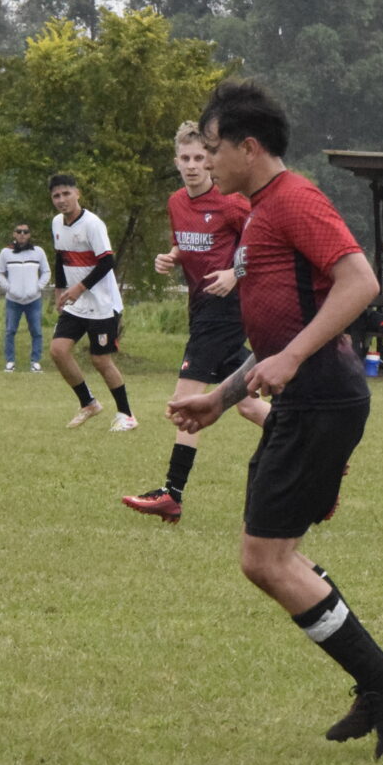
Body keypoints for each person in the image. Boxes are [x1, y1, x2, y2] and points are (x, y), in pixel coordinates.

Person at [168, 80, 383, 761]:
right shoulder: (260, 210)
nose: (207, 160)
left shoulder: (295, 200)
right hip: (303, 400)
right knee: (274, 558)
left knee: (266, 560)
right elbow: (279, 332)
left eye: (214, 148)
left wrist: (292, 357)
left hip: (324, 399)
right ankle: (379, 680)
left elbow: (360, 282)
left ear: (250, 147)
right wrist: (220, 400)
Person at [122, 120, 270, 523]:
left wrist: (235, 273)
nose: (191, 165)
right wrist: (170, 257)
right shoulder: (176, 203)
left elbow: (262, 243)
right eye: (185, 158)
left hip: (226, 310)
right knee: (246, 403)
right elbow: (184, 244)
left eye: (199, 158)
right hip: (200, 310)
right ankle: (312, 444)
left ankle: (172, 493)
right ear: (176, 161)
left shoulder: (231, 203)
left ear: (210, 161)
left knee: (184, 402)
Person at [48, 173, 136, 431]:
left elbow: (107, 262)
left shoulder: (93, 224)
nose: (62, 199)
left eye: (66, 193)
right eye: (56, 196)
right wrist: (59, 290)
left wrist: (79, 288)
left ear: (78, 194)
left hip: (102, 305)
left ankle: (126, 415)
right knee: (58, 351)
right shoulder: (56, 223)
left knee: (100, 361)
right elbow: (60, 258)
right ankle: (88, 403)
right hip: (76, 304)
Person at [0, 222, 48, 372]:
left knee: (36, 331)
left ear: (29, 234)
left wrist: (38, 287)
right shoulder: (6, 252)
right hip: (13, 300)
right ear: (14, 234)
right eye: (19, 231)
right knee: (10, 331)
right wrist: (9, 288)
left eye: (25, 232)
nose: (22, 234)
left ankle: (35, 362)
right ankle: (10, 361)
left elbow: (46, 272)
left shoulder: (38, 252)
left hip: (33, 299)